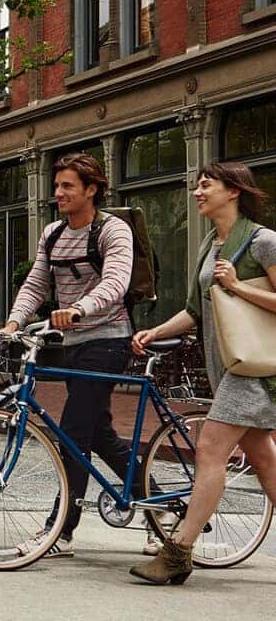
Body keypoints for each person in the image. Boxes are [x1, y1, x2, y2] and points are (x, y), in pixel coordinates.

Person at [129, 161, 276, 585]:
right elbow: (196, 311)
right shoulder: (211, 245)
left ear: (233, 191)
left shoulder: (263, 242)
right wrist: (154, 331)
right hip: (231, 365)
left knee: (210, 448)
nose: (197, 191)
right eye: (196, 185)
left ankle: (178, 551)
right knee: (265, 460)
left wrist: (239, 287)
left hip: (259, 371)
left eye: (206, 184)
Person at [0, 152, 135, 559]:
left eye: (67, 186)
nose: (58, 192)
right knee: (99, 435)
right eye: (57, 185)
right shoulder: (53, 234)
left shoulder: (113, 230)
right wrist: (14, 323)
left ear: (92, 189)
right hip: (72, 344)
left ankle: (60, 532)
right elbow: (37, 284)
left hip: (108, 340)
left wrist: (79, 309)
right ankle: (163, 507)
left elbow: (116, 282)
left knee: (73, 435)